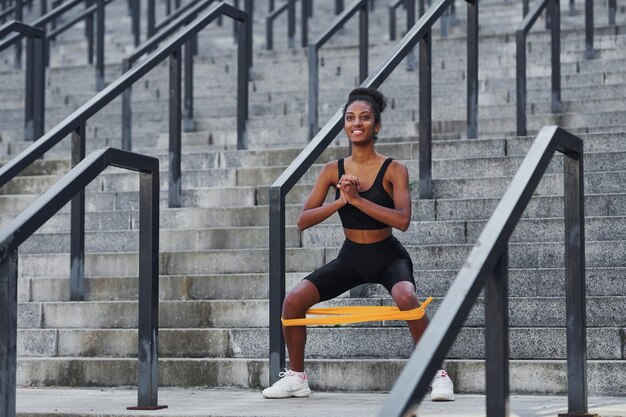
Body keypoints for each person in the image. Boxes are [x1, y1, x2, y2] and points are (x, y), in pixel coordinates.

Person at [261, 88, 454, 402]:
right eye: (350, 118)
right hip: (351, 258)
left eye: (365, 118)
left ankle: (438, 374)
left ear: (376, 126)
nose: (357, 123)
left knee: (406, 295)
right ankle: (297, 377)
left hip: (388, 255)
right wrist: (341, 202)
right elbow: (303, 220)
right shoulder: (331, 171)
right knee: (294, 300)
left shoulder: (394, 169)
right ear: (344, 126)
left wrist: (358, 200)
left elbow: (402, 220)